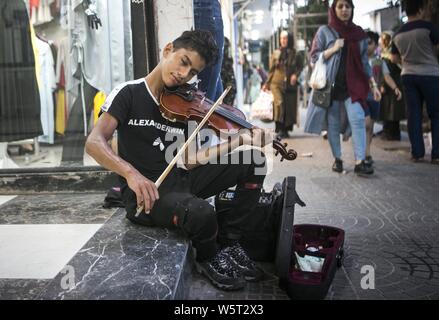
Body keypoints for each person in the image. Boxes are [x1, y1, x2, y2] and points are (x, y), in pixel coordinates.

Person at [85, 30, 272, 291]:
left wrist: (241, 140)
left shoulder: (183, 101)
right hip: (147, 195)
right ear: (168, 50)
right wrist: (131, 174)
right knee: (201, 212)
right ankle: (208, 256)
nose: (185, 74)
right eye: (184, 62)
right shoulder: (129, 93)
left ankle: (231, 241)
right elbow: (94, 142)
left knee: (255, 160)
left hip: (181, 179)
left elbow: (187, 160)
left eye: (193, 72)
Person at [304, 0, 382, 176]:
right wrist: (332, 49)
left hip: (354, 86)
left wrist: (374, 85)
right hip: (330, 87)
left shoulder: (359, 34)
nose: (344, 10)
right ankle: (337, 159)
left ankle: (360, 161)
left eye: (348, 6)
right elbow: (314, 57)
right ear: (334, 9)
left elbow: (364, 63)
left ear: (352, 9)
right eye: (340, 6)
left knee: (358, 119)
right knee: (333, 124)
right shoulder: (325, 31)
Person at [391, 0, 439, 164]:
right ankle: (437, 154)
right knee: (436, 114)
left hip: (408, 75)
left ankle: (417, 153)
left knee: (413, 114)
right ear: (420, 10)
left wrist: (405, 62)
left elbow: (394, 57)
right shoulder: (427, 27)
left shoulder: (397, 34)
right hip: (430, 74)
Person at [365, 31, 402, 167]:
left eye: (369, 43)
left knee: (370, 127)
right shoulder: (358, 60)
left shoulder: (379, 61)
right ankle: (364, 153)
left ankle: (367, 153)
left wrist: (395, 88)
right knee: (366, 125)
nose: (366, 45)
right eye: (364, 42)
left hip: (375, 98)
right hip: (360, 97)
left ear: (375, 45)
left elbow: (387, 76)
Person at [263, 30, 304, 139]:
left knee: (289, 107)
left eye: (285, 38)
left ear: (289, 39)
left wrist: (296, 75)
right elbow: (271, 70)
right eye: (281, 38)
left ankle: (286, 130)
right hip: (276, 83)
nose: (283, 41)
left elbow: (300, 67)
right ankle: (279, 129)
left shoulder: (296, 53)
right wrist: (267, 83)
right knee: (279, 104)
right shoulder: (276, 53)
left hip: (290, 85)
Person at [379, 31, 406, 141]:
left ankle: (389, 133)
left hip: (389, 85)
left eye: (381, 39)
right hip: (397, 83)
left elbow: (385, 73)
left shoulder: (388, 56)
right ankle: (393, 132)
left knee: (389, 110)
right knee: (394, 110)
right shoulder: (395, 54)